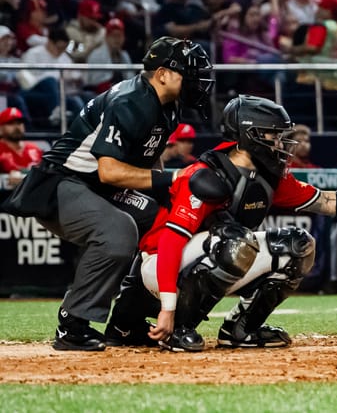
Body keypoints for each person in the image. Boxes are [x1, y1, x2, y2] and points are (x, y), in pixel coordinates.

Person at [104, 95, 337, 351]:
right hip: (158, 268)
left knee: (298, 245)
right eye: (275, 136)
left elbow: (326, 201)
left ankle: (240, 329)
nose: (282, 144)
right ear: (251, 135)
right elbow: (169, 242)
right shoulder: (204, 175)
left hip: (210, 255)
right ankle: (181, 329)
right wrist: (167, 309)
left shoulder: (269, 176)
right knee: (236, 240)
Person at [0, 37, 212, 351]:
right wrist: (174, 178)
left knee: (170, 221)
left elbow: (147, 158)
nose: (196, 80)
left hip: (102, 186)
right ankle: (72, 324)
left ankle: (126, 322)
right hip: (63, 182)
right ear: (163, 74)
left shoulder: (168, 105)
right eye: (188, 73)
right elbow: (109, 171)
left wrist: (170, 195)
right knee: (117, 232)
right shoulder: (131, 100)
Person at [0, 107, 42, 177]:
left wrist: (17, 171)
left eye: (19, 123)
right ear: (0, 128)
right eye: (11, 123)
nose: (17, 127)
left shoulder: (34, 148)